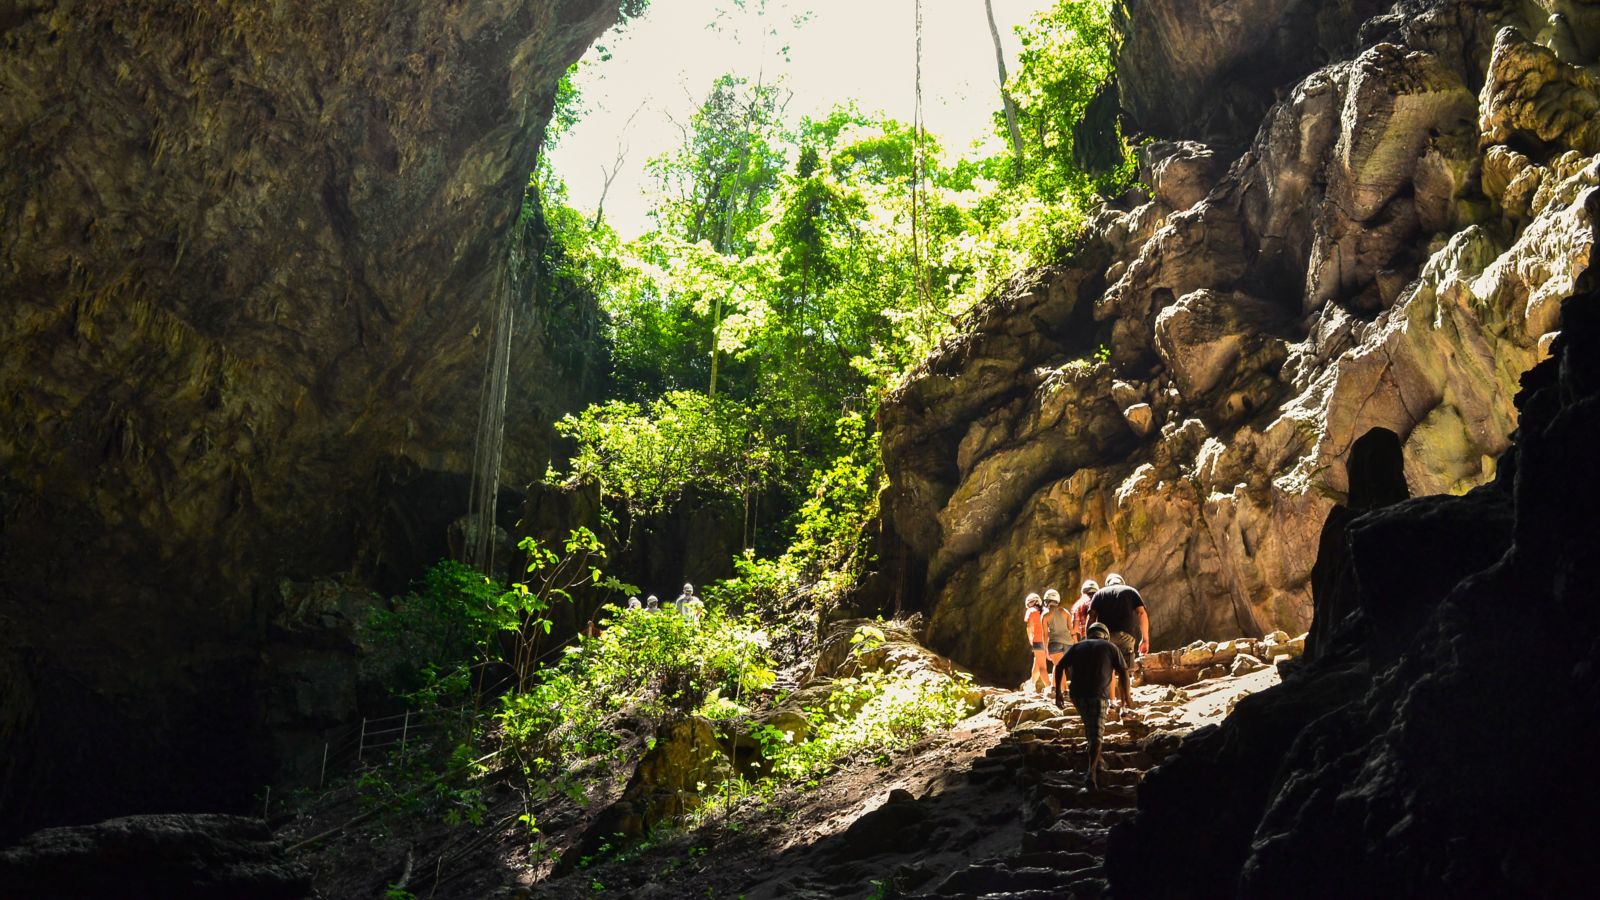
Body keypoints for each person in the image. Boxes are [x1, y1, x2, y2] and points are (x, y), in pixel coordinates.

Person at [1055, 622, 1133, 789]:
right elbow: (1124, 672)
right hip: (1098, 695)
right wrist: (1126, 698)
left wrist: (1058, 693)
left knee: (1091, 726)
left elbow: (1059, 666)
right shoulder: (1111, 647)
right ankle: (1091, 773)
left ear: (1089, 635)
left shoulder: (1076, 647)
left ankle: (1098, 761)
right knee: (1097, 734)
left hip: (1077, 695)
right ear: (1105, 635)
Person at [1088, 573, 1148, 712]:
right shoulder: (1130, 591)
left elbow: (1091, 619)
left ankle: (1111, 702)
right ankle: (1125, 704)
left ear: (1108, 583)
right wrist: (1145, 639)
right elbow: (1142, 613)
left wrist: (1089, 640)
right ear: (1121, 582)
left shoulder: (1099, 594)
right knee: (1123, 670)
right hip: (1125, 636)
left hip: (1105, 637)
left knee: (1108, 669)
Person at [1042, 588, 1075, 677]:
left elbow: (1045, 634)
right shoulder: (1066, 612)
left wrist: (1045, 649)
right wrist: (1076, 644)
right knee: (1062, 668)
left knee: (1058, 667)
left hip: (1055, 643)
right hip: (1068, 644)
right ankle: (1062, 689)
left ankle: (1062, 690)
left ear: (1047, 601)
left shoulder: (1045, 616)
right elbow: (1071, 630)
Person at [1023, 592, 1048, 693]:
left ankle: (1049, 687)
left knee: (1042, 666)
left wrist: (1031, 641)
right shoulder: (1046, 611)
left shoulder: (1030, 611)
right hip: (1049, 640)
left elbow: (1030, 628)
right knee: (1037, 663)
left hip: (1038, 640)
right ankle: (1032, 684)